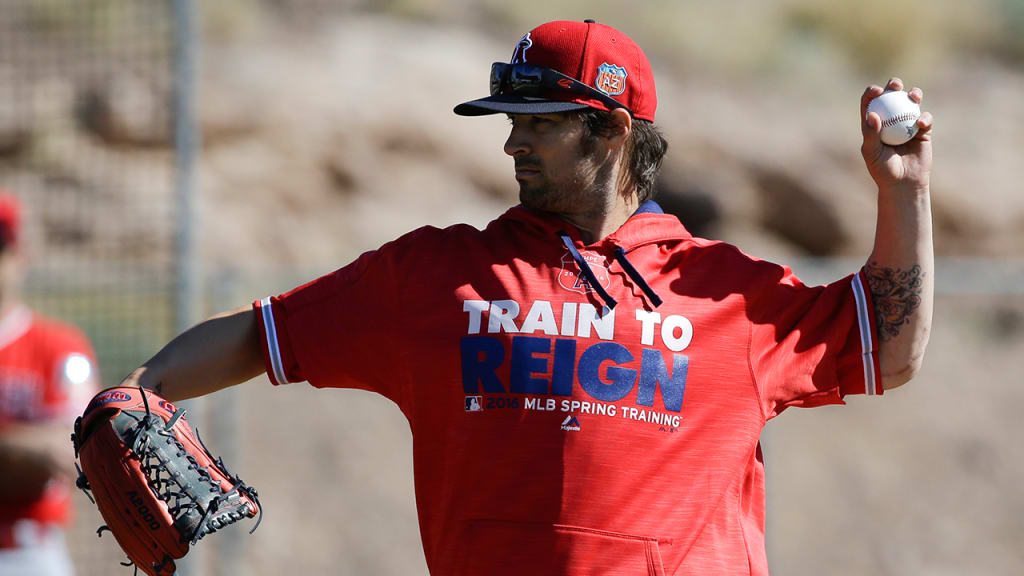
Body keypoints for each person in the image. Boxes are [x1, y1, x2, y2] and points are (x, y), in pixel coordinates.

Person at [120, 19, 933, 575]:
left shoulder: (724, 290)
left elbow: (887, 348)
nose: (512, 140)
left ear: (613, 132)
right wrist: (137, 393)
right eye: (511, 120)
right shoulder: (435, 277)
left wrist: (904, 193)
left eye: (540, 121)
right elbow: (260, 337)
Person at [0, 193, 101, 576]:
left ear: (20, 258)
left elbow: (70, 452)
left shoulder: (61, 347)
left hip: (27, 556)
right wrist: (20, 446)